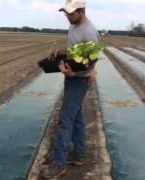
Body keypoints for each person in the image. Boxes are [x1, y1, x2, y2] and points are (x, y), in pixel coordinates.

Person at [41, 0, 100, 179]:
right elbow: (77, 51)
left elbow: (91, 59)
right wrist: (63, 53)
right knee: (76, 117)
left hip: (79, 80)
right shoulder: (73, 26)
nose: (67, 16)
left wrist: (74, 73)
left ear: (81, 11)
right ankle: (79, 154)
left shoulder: (90, 31)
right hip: (71, 77)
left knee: (65, 119)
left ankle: (58, 163)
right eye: (65, 13)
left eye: (70, 13)